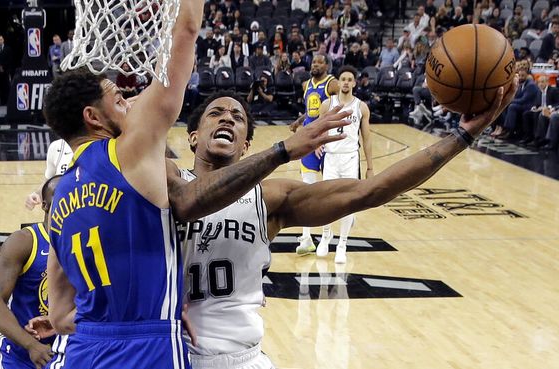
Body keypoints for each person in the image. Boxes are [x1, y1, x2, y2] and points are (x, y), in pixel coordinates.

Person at [175, 72, 517, 368]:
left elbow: (371, 191)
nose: (226, 118)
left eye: (236, 116)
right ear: (192, 137)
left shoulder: (270, 198)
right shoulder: (165, 187)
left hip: (242, 358)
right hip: (173, 353)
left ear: (247, 144)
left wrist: (462, 137)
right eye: (215, 113)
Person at [41, 0, 205, 366]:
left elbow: (59, 317)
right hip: (149, 350)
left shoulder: (57, 197)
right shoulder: (129, 151)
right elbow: (187, 29)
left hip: (84, 352)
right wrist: (146, 319)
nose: (130, 103)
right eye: (119, 100)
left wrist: (109, 322)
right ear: (93, 117)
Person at [0, 176, 61, 369]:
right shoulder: (24, 242)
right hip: (22, 355)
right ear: (44, 205)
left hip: (69, 348)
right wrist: (31, 345)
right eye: (60, 203)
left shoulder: (85, 240)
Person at [309, 66, 373, 262]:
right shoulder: (328, 104)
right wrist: (317, 143)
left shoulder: (361, 107)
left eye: (349, 79)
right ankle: (326, 235)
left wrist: (370, 167)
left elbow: (367, 138)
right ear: (338, 82)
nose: (346, 82)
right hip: (331, 157)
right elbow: (318, 128)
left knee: (348, 203)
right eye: (343, 79)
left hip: (351, 159)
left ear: (354, 83)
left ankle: (342, 244)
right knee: (326, 200)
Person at [289, 54, 339, 254]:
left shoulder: (332, 84)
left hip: (326, 141)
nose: (315, 65)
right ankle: (307, 237)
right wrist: (299, 121)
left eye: (319, 62)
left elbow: (341, 106)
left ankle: (328, 232)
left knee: (328, 190)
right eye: (314, 62)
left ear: (326, 65)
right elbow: (312, 112)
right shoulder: (306, 84)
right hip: (309, 139)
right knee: (306, 191)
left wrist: (323, 134)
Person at [25, 139, 74, 210]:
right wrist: (37, 194)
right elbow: (49, 182)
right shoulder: (56, 146)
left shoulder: (94, 148)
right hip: (60, 211)